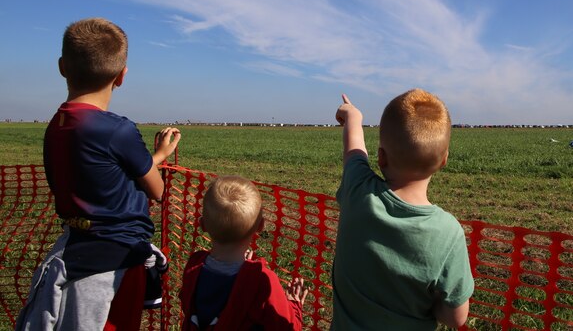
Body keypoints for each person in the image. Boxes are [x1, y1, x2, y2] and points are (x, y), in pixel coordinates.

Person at [16, 17, 181, 330]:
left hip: (76, 248)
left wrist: (154, 156)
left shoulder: (57, 126)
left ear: (62, 67)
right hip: (118, 261)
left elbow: (101, 173)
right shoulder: (118, 131)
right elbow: (157, 190)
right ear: (121, 76)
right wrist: (157, 159)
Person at [332, 90, 474, 330]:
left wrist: (353, 116)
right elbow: (456, 318)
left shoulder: (358, 191)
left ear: (381, 157)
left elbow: (354, 152)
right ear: (444, 161)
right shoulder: (448, 233)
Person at [179, 175, 307, 330]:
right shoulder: (262, 280)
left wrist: (244, 269)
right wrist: (295, 305)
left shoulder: (193, 266)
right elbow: (286, 326)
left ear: (202, 225)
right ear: (260, 226)